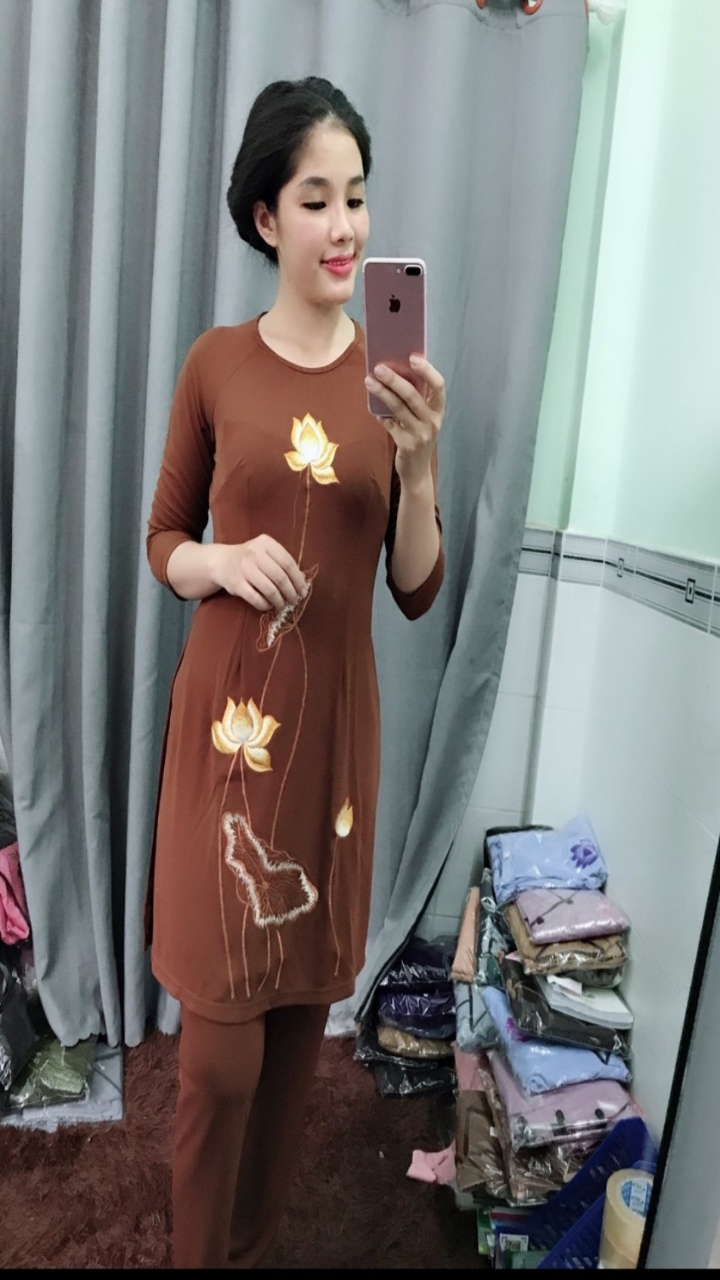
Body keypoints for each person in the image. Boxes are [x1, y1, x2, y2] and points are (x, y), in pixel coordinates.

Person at [143, 75, 446, 1269]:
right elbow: (164, 540)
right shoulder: (216, 363)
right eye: (317, 199)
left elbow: (415, 586)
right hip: (226, 734)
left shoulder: (393, 384)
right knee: (218, 1060)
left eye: (357, 198)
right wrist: (222, 560)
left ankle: (250, 1247)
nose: (345, 226)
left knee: (288, 1054)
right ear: (267, 217)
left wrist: (420, 467)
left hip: (328, 748)